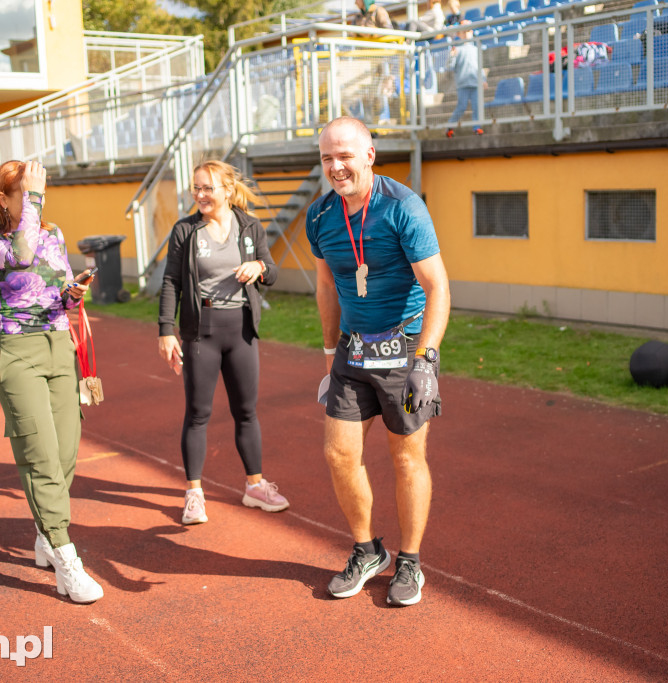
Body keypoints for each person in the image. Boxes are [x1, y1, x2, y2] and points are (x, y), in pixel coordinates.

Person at [307, 117, 450, 606]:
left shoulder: (403, 207)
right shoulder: (320, 216)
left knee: (406, 457)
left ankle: (409, 561)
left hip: (405, 349)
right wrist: (329, 356)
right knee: (338, 454)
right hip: (352, 350)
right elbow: (327, 286)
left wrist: (426, 361)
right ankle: (368, 551)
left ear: (369, 154)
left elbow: (437, 287)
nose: (336, 166)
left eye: (345, 155)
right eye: (327, 157)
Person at [0, 160, 103, 603]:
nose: (33, 201)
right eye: (23, 193)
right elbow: (21, 257)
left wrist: (74, 291)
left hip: (59, 347)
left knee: (66, 454)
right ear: (3, 197)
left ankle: (46, 533)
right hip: (18, 355)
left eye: (35, 193)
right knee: (41, 457)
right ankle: (67, 560)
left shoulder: (54, 233)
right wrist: (35, 200)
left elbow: (60, 285)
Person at [157, 160, 289, 526]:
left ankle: (255, 486)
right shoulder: (185, 231)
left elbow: (273, 271)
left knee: (246, 411)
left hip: (242, 330)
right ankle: (194, 494)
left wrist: (259, 269)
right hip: (202, 330)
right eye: (195, 188)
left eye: (207, 188)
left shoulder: (249, 226)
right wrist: (166, 330)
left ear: (227, 190)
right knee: (198, 413)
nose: (199, 195)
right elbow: (171, 282)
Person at [446, 23, 484, 138]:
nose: (466, 34)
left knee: (477, 106)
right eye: (464, 31)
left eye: (468, 31)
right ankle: (450, 126)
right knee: (461, 106)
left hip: (475, 83)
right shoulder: (457, 49)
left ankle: (477, 128)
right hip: (463, 84)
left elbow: (479, 66)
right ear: (459, 34)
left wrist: (483, 79)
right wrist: (452, 56)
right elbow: (449, 66)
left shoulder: (476, 48)